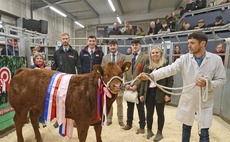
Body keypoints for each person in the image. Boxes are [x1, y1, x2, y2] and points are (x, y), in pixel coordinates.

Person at [140, 31, 226, 142]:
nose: (188, 45)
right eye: (188, 42)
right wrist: (151, 75)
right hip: (188, 100)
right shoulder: (184, 58)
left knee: (204, 132)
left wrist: (208, 83)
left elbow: (222, 80)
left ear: (203, 44)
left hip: (204, 101)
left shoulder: (216, 60)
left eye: (192, 43)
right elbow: (169, 69)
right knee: (186, 128)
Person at [144, 46, 173, 141]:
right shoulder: (147, 65)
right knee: (149, 113)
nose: (155, 54)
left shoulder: (165, 65)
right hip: (149, 93)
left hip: (160, 92)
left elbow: (170, 80)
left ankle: (159, 132)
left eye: (157, 52)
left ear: (161, 54)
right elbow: (143, 81)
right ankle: (149, 130)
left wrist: (168, 94)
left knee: (160, 113)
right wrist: (141, 94)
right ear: (150, 55)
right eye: (153, 53)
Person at [123, 39, 148, 135]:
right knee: (129, 107)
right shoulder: (127, 57)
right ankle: (129, 124)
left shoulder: (145, 57)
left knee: (140, 107)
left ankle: (142, 126)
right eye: (133, 45)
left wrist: (136, 86)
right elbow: (125, 72)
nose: (135, 46)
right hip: (129, 86)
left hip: (139, 86)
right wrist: (125, 84)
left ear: (140, 45)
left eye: (136, 45)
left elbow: (145, 73)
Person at [101, 40, 126, 126]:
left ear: (117, 46)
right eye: (111, 45)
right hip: (109, 85)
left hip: (119, 84)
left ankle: (120, 120)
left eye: (114, 45)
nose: (112, 47)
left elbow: (124, 71)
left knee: (120, 103)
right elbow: (103, 70)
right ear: (109, 47)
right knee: (109, 102)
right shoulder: (105, 57)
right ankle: (109, 119)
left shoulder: (122, 57)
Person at [30, 53, 51, 128]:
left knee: (43, 105)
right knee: (35, 106)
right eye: (37, 58)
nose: (39, 60)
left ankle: (42, 120)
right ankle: (36, 121)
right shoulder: (31, 68)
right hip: (34, 91)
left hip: (44, 90)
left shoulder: (47, 68)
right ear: (34, 60)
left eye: (40, 58)